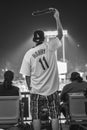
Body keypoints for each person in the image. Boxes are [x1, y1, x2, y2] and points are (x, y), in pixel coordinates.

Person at [20, 8, 63, 130]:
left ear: (34, 40)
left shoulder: (28, 54)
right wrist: (57, 18)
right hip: (52, 90)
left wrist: (30, 88)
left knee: (35, 117)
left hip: (36, 91)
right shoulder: (50, 46)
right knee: (54, 116)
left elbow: (26, 75)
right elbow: (60, 34)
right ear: (44, 38)